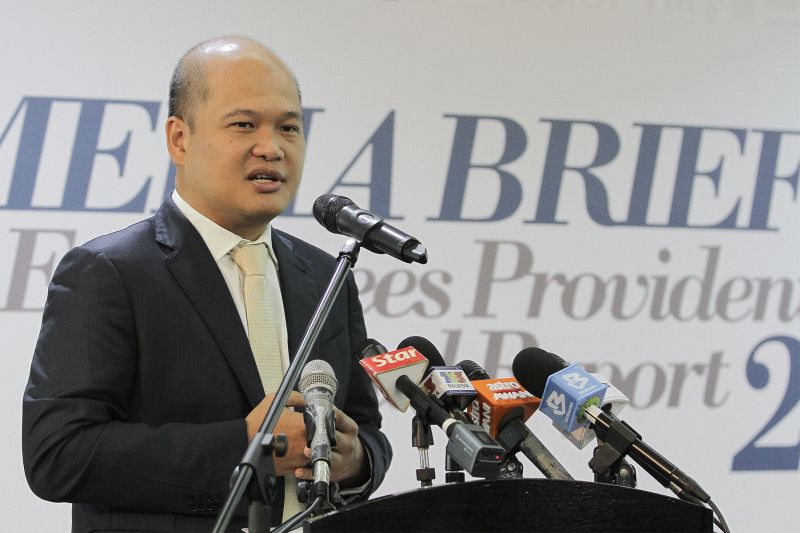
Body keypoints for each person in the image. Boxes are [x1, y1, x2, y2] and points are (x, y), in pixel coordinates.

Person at [22, 35, 392, 533]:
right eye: (244, 125)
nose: (272, 147)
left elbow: (365, 427)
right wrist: (243, 446)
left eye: (289, 127)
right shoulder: (109, 271)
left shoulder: (327, 275)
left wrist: (354, 460)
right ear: (179, 138)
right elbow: (59, 455)